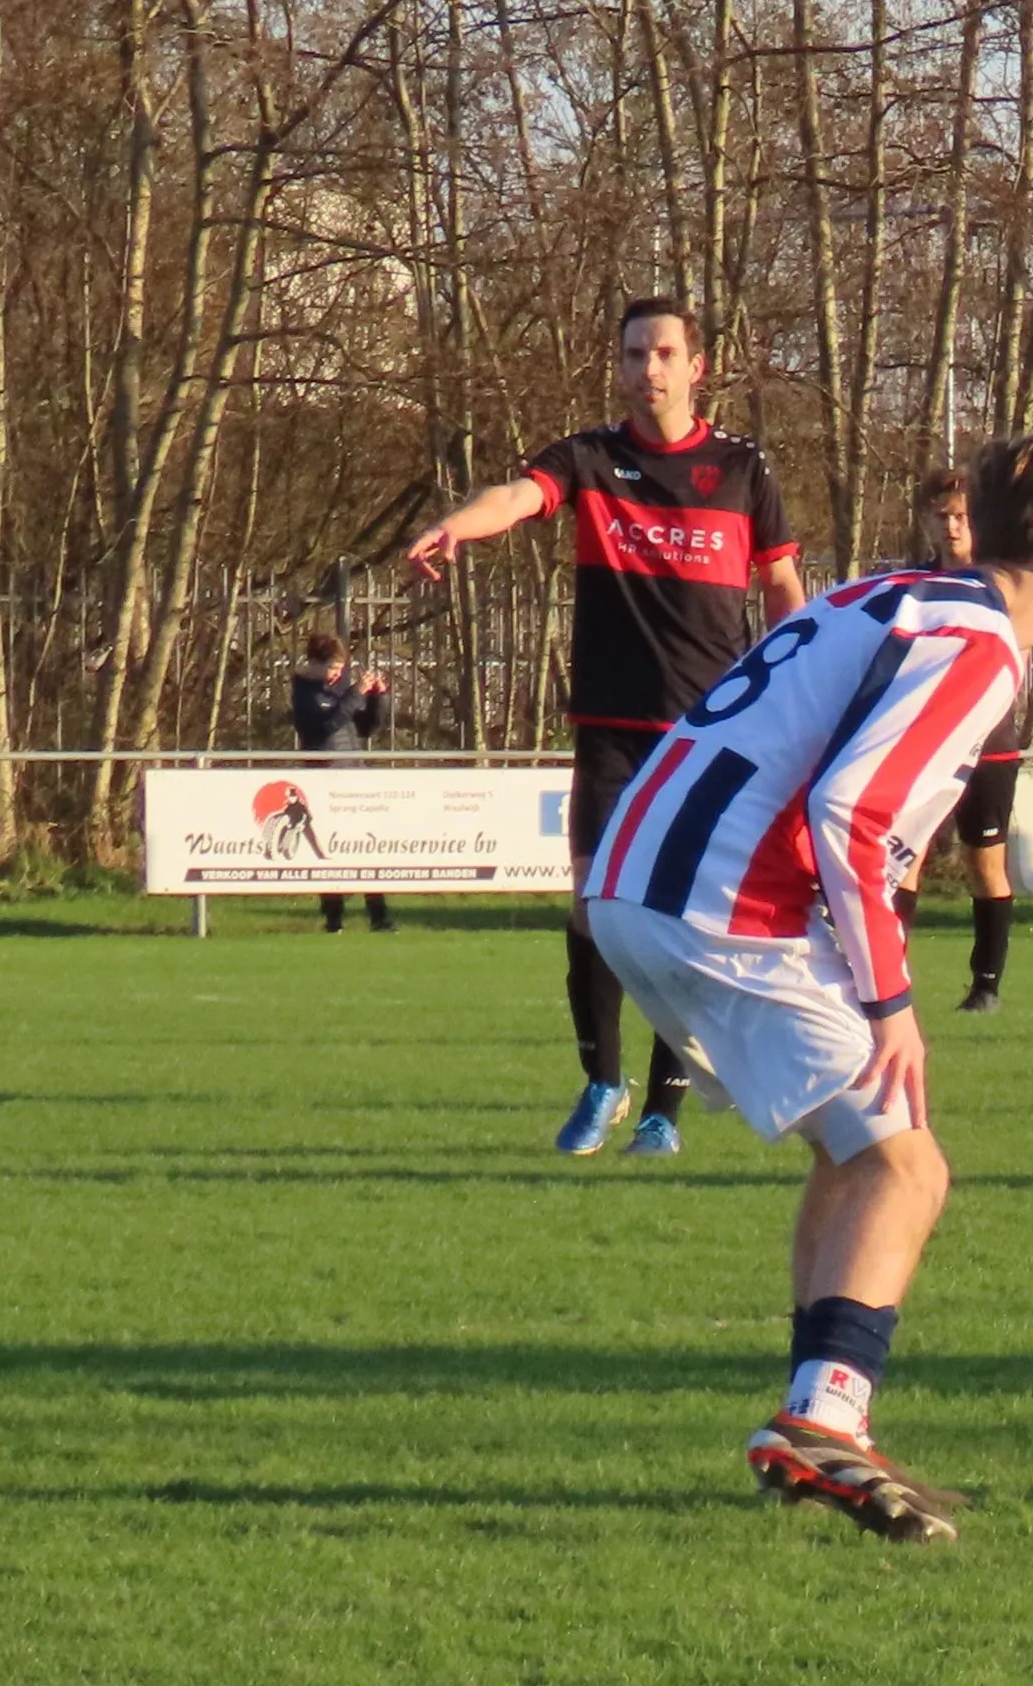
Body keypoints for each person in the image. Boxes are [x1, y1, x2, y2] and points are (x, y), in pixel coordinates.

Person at [586, 431, 1033, 1544]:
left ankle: (814, 1420)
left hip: (634, 883)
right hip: (721, 901)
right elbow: (850, 812)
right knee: (908, 1160)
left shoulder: (900, 592)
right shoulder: (981, 640)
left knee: (859, 1152)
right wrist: (894, 1002)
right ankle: (828, 1422)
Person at [403, 296, 805, 1155]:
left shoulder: (742, 469)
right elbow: (516, 495)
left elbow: (784, 595)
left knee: (676, 917)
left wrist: (802, 690)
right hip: (611, 726)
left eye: (663, 353)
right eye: (632, 355)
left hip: (708, 734)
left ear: (697, 367)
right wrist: (455, 527)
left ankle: (665, 1109)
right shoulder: (592, 458)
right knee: (593, 908)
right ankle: (602, 1082)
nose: (646, 370)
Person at [902, 475, 1025, 1012]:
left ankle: (986, 985)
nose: (951, 527)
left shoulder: (1000, 583)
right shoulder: (915, 585)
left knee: (985, 864)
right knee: (905, 859)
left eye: (961, 517)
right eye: (942, 517)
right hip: (928, 743)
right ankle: (889, 977)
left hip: (991, 745)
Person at [290, 631, 394, 934]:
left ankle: (379, 915)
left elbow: (366, 728)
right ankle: (334, 917)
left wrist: (378, 698)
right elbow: (326, 726)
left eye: (340, 669)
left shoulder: (339, 691)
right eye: (333, 668)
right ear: (315, 664)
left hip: (354, 778)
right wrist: (354, 694)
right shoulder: (305, 694)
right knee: (330, 851)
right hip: (324, 780)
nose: (337, 675)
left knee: (368, 848)